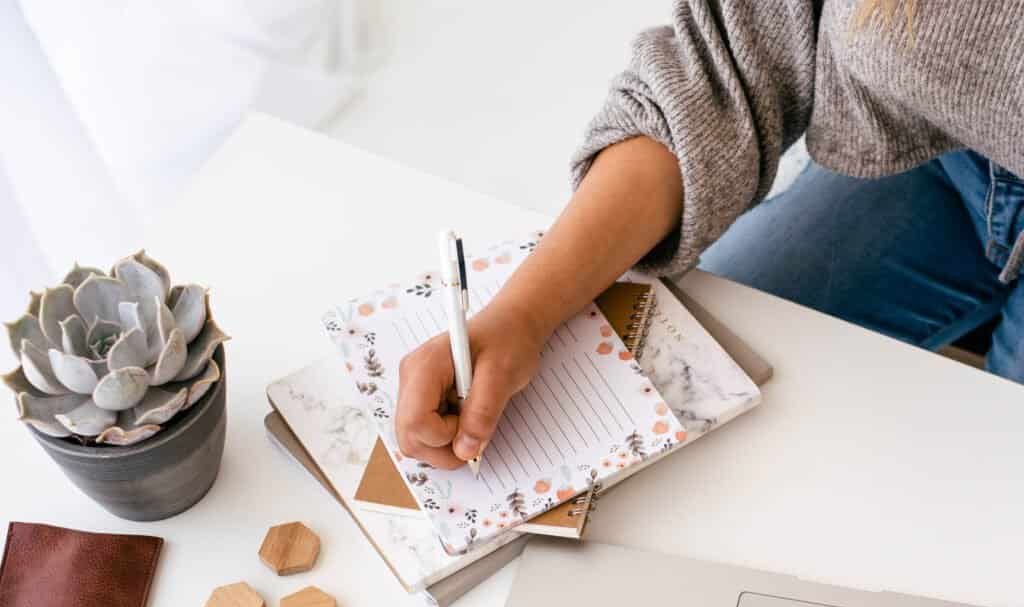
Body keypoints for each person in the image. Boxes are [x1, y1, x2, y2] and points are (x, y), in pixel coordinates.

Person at [396, 0, 1024, 471]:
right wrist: (523, 312)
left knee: (982, 498)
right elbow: (726, 66)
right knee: (687, 375)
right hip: (935, 157)